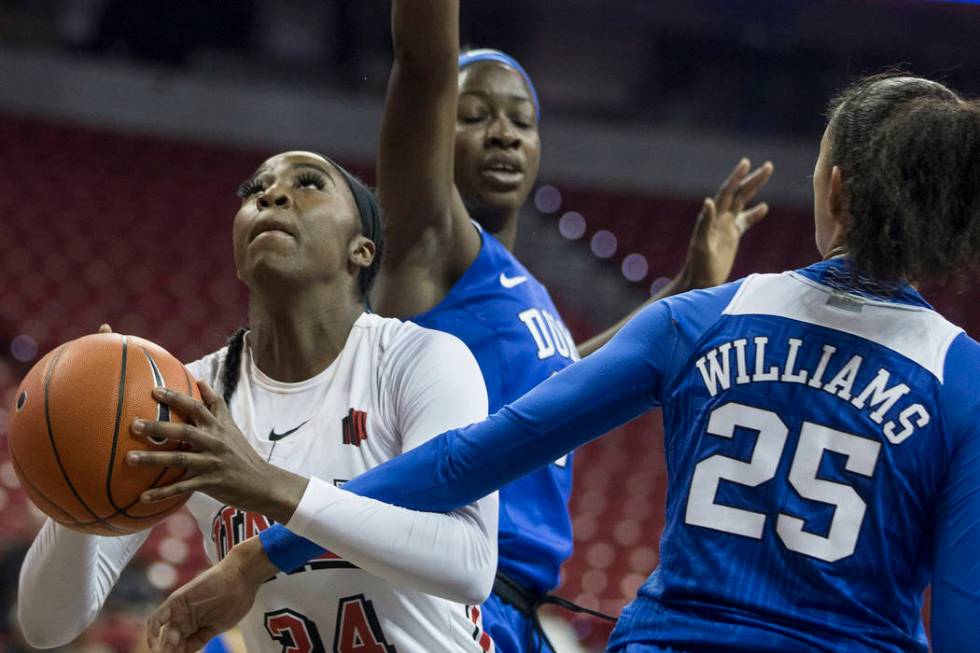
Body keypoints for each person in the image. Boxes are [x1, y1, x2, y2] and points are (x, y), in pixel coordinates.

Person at [147, 72, 980, 652]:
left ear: (832, 192)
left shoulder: (701, 319)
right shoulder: (964, 379)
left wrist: (262, 551)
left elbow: (471, 457)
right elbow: (964, 626)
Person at [228, 3, 773, 650]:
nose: (505, 133)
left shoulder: (517, 290)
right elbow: (424, 66)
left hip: (509, 610)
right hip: (446, 598)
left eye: (522, 120)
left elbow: (563, 381)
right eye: (474, 114)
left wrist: (687, 286)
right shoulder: (429, 243)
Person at [18, 150, 501, 652]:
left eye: (310, 183)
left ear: (361, 250)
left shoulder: (419, 358)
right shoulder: (190, 397)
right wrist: (84, 436)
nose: (270, 195)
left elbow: (467, 564)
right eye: (255, 191)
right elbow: (47, 625)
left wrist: (265, 484)